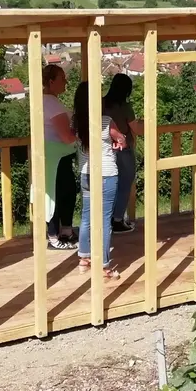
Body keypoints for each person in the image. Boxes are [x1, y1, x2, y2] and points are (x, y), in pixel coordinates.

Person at [73, 82, 126, 279]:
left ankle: (84, 259)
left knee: (86, 216)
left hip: (86, 173)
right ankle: (104, 266)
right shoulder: (105, 120)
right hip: (106, 174)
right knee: (104, 220)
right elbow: (121, 138)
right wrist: (118, 142)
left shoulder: (76, 123)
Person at [42, 65, 79, 250]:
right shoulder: (51, 104)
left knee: (65, 192)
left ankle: (63, 231)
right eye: (62, 78)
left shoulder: (45, 101)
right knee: (59, 194)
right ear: (51, 81)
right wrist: (81, 135)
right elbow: (66, 136)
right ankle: (55, 236)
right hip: (56, 156)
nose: (66, 82)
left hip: (52, 156)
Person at [102, 74, 144, 235]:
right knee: (125, 183)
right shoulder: (125, 107)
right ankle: (117, 219)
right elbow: (137, 129)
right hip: (122, 149)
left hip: (104, 149)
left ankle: (106, 219)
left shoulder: (101, 103)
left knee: (108, 185)